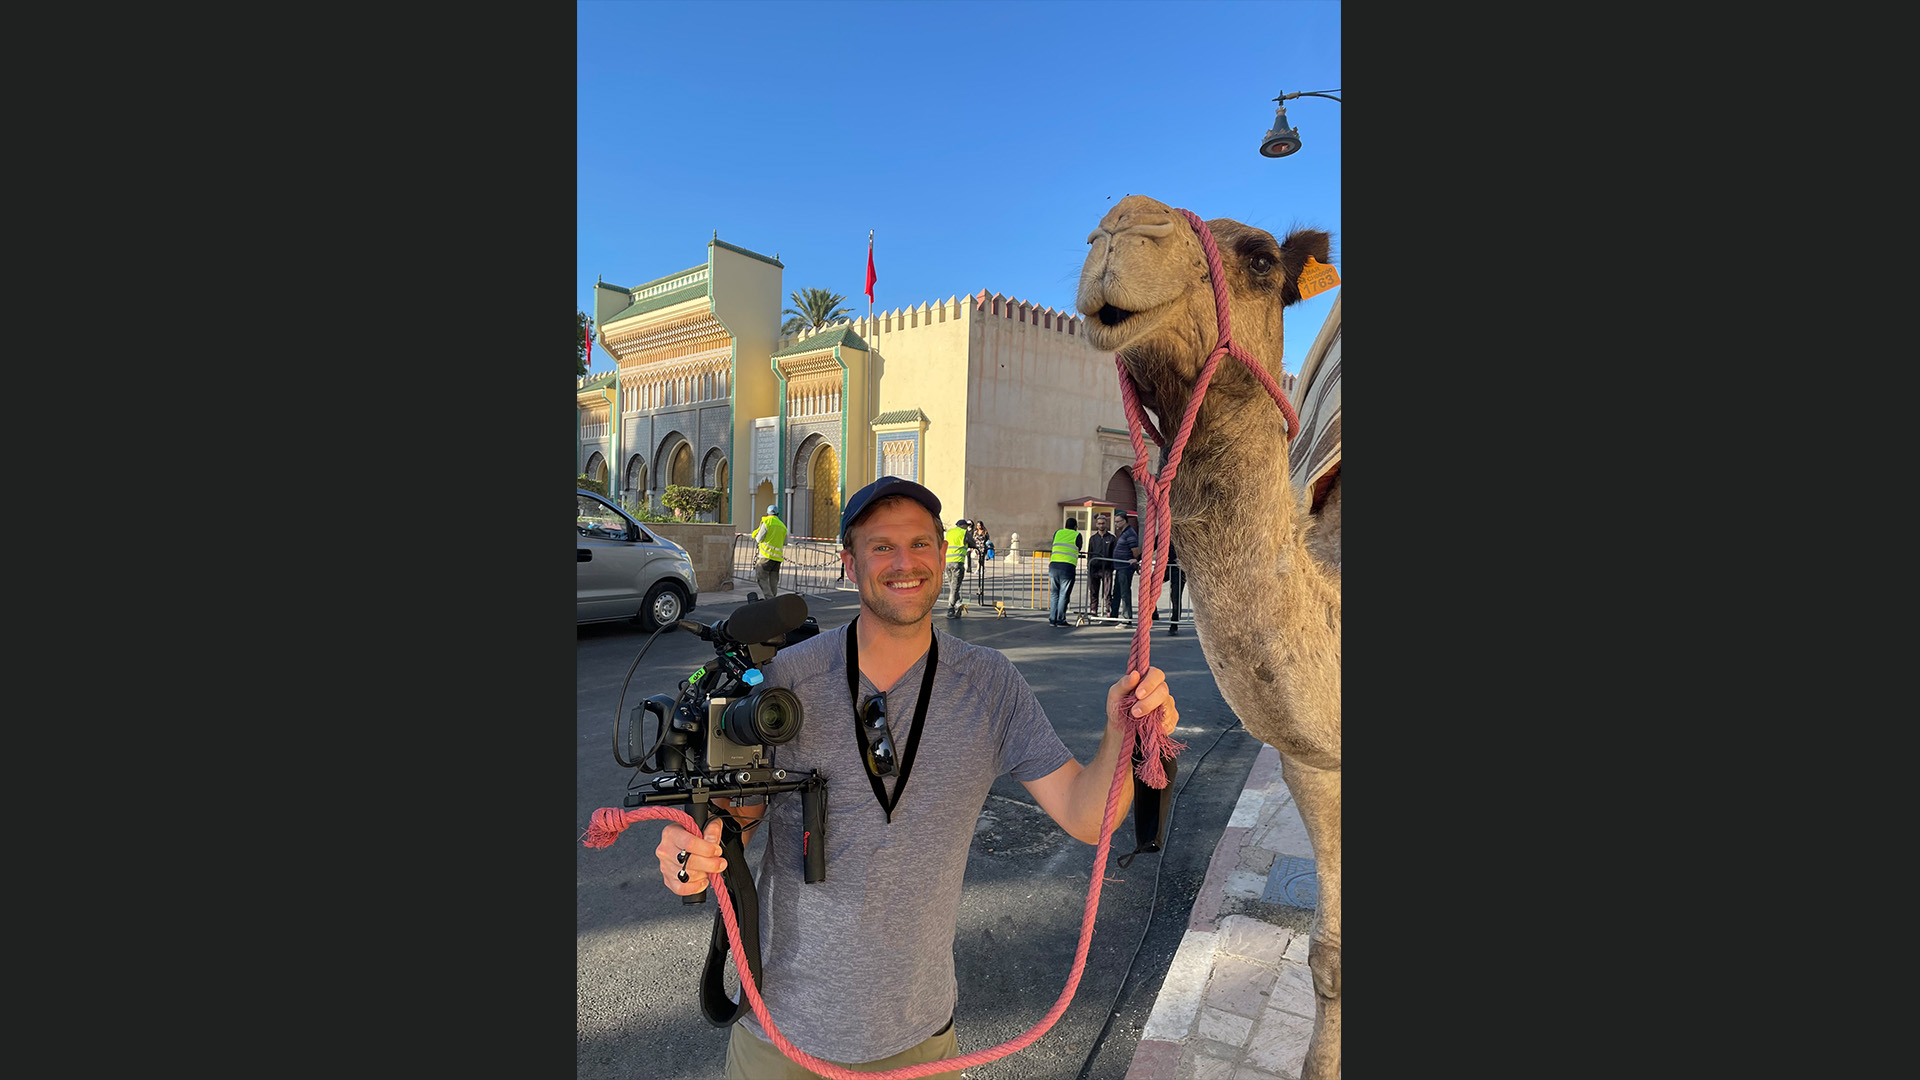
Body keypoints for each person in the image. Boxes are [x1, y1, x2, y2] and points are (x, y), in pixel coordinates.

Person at [655, 476, 1181, 1078]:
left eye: (921, 544)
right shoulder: (785, 681)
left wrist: (1120, 731)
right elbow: (733, 821)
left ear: (941, 553)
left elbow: (1088, 818)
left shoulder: (990, 685)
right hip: (779, 1037)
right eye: (881, 547)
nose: (905, 563)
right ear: (849, 564)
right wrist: (693, 849)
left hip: (917, 1041)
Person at [1047, 515, 1081, 626]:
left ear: (1065, 526)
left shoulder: (1057, 533)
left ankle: (1052, 619)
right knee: (1063, 594)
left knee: (1054, 594)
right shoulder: (1077, 535)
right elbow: (1079, 547)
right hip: (1067, 567)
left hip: (1053, 566)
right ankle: (1060, 619)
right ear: (1075, 527)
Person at [1107, 511, 1140, 622]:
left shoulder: (1130, 533)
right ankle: (1114, 615)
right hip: (1120, 567)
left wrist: (1136, 561)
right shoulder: (1124, 533)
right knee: (1117, 592)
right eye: (1115, 522)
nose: (1116, 524)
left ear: (1125, 521)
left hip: (1126, 568)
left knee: (1125, 592)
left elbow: (1135, 550)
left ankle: (1127, 617)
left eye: (1118, 522)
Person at [1085, 513, 1116, 619]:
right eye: (1099, 524)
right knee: (1093, 590)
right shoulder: (1093, 539)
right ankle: (1093, 609)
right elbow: (1090, 553)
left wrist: (1112, 566)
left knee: (1107, 591)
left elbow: (1114, 553)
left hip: (1107, 569)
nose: (1101, 525)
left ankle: (1108, 610)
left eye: (1103, 523)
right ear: (1096, 525)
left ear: (1106, 524)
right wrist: (1089, 565)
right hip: (1094, 569)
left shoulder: (1111, 538)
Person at [753, 505, 787, 599]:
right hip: (777, 559)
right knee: (773, 582)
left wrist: (755, 534)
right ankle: (773, 601)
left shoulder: (767, 522)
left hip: (765, 556)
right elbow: (785, 542)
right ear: (777, 514)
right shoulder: (782, 526)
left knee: (762, 578)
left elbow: (759, 539)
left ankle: (770, 599)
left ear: (767, 513)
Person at [942, 518, 970, 618]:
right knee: (954, 588)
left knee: (952, 586)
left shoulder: (949, 532)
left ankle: (958, 604)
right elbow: (973, 543)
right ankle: (951, 608)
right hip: (957, 563)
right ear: (963, 526)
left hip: (947, 563)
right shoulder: (964, 533)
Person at [1164, 540, 1185, 636]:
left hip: (1180, 569)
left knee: (1175, 597)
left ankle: (1174, 624)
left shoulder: (1182, 535)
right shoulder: (1164, 533)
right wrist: (1138, 558)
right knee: (1149, 587)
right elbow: (1152, 545)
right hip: (1167, 567)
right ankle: (1153, 613)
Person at [969, 519, 992, 598]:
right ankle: (979, 569)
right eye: (977, 525)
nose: (978, 526)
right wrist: (972, 546)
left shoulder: (985, 532)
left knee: (981, 559)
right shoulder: (975, 532)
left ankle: (981, 568)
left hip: (983, 547)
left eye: (980, 525)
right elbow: (973, 538)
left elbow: (987, 539)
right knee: (979, 558)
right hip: (977, 547)